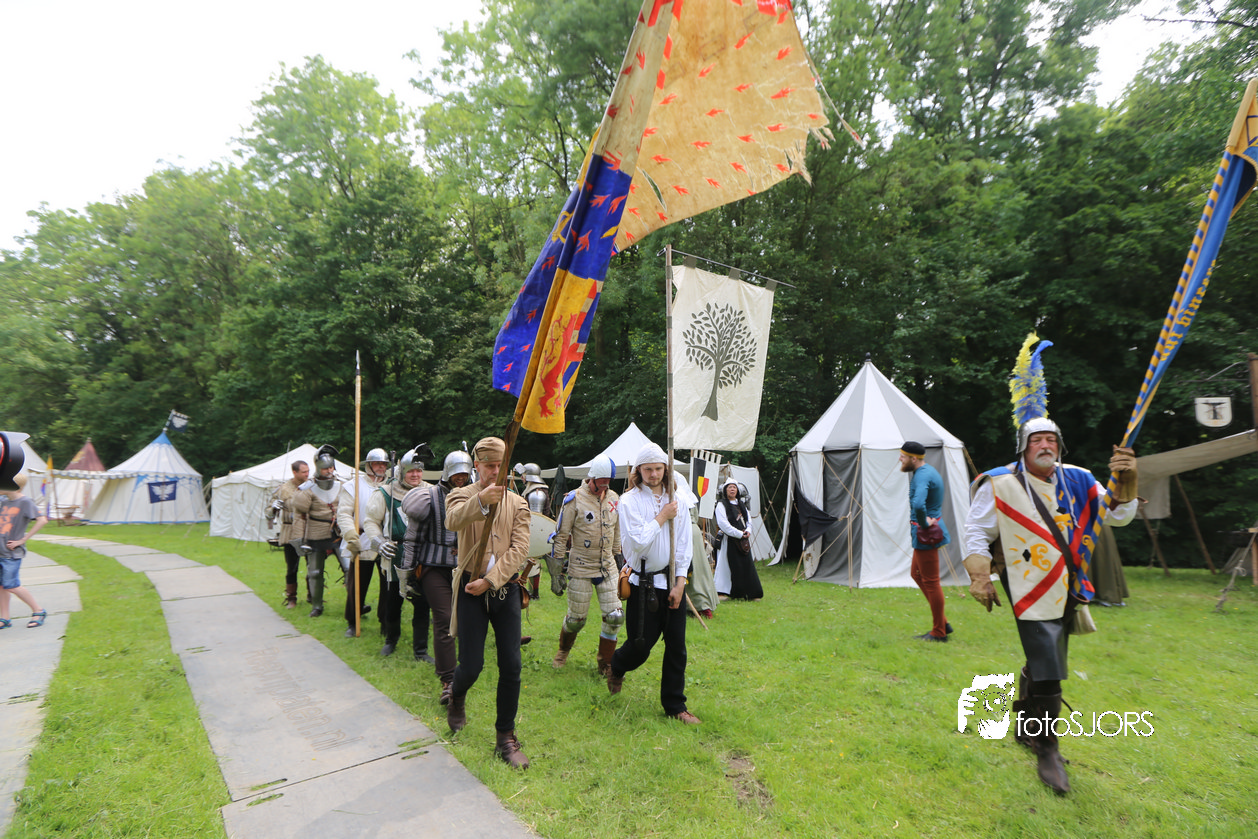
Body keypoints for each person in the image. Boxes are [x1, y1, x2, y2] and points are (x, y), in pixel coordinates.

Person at [964, 411, 1138, 794]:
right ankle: (1047, 749)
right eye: (1037, 440)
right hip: (1025, 582)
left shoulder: (1080, 478)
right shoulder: (1000, 482)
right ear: (1023, 447)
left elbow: (1118, 517)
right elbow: (977, 529)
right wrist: (979, 576)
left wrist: (1126, 483)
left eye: (1051, 440)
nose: (1045, 446)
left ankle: (1026, 728)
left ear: (1060, 445)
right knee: (1050, 664)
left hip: (1070, 582)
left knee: (1048, 652)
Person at [445, 437, 533, 768]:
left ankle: (505, 738)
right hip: (470, 589)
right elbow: (452, 520)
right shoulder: (461, 495)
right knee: (472, 665)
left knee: (512, 664)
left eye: (500, 466)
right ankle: (457, 693)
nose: (495, 472)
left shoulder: (518, 503)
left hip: (504, 590)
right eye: (489, 466)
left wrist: (492, 580)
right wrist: (481, 500)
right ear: (477, 466)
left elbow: (520, 548)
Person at [606, 442, 700, 725]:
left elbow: (683, 545)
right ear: (639, 471)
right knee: (640, 646)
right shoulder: (629, 501)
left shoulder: (678, 499)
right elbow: (636, 542)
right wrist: (662, 517)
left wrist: (680, 582)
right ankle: (617, 665)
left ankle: (675, 705)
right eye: (648, 469)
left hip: (672, 582)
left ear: (666, 469)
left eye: (659, 468)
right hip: (643, 584)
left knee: (676, 647)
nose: (654, 474)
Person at [401, 449, 472, 703]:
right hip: (434, 568)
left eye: (464, 474)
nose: (460, 478)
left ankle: (467, 669)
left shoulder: (477, 496)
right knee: (444, 620)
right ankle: (448, 681)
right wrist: (406, 573)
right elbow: (412, 538)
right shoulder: (428, 497)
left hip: (467, 567)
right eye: (456, 474)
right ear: (447, 473)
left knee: (467, 621)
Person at [550, 455, 624, 675]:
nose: (605, 485)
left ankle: (605, 663)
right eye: (602, 480)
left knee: (615, 616)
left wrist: (618, 559)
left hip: (607, 565)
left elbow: (617, 531)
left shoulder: (614, 498)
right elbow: (561, 535)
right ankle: (563, 651)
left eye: (608, 481)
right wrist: (556, 573)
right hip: (581, 565)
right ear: (592, 477)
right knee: (576, 620)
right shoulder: (574, 499)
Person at [362, 448, 431, 659]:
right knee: (392, 602)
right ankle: (390, 640)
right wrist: (379, 542)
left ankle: (420, 650)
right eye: (411, 471)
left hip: (423, 555)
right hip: (395, 553)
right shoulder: (385, 493)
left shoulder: (431, 491)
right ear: (402, 472)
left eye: (418, 471)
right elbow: (371, 521)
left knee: (422, 603)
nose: (415, 475)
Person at [899, 441, 952, 642]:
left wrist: (923, 523)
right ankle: (943, 622)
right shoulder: (927, 471)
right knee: (916, 574)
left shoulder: (922, 476)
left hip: (926, 534)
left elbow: (919, 504)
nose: (900, 459)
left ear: (913, 458)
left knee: (931, 581)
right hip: (924, 534)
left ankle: (939, 632)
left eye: (903, 456)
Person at [337, 448, 388, 638]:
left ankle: (386, 623)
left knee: (388, 586)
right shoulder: (354, 486)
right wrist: (351, 536)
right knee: (357, 585)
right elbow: (344, 513)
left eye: (384, 464)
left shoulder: (392, 485)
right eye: (377, 463)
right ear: (368, 465)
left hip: (386, 541)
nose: (381, 467)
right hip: (362, 539)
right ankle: (353, 621)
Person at [291, 445, 341, 618]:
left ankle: (356, 604)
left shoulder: (343, 485)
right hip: (316, 533)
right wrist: (298, 538)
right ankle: (317, 606)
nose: (329, 470)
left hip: (339, 532)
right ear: (318, 468)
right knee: (315, 572)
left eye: (331, 467)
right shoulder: (307, 488)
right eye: (326, 468)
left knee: (350, 568)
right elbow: (299, 515)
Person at [0, 473, 48, 629]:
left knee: (11, 585)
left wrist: (22, 540)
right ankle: (5, 618)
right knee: (1, 586)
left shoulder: (25, 502)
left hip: (11, 553)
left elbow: (42, 520)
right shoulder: (4, 501)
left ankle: (38, 610)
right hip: (0, 551)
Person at [267, 459, 308, 609]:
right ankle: (291, 598)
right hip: (290, 531)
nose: (307, 474)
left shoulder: (311, 486)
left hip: (308, 530)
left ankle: (313, 596)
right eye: (303, 472)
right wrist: (273, 508)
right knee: (292, 567)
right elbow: (268, 513)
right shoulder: (282, 489)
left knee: (313, 566)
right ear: (295, 472)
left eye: (308, 471)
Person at [713, 477, 762, 601]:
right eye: (729, 487)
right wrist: (739, 534)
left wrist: (748, 531)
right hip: (728, 540)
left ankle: (750, 593)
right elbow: (723, 523)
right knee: (726, 566)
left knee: (746, 565)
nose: (732, 489)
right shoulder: (721, 505)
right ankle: (723, 592)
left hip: (742, 541)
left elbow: (748, 520)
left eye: (734, 487)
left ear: (737, 490)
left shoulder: (741, 505)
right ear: (725, 490)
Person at [515, 462, 548, 600]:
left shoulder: (536, 493)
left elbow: (536, 518)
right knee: (529, 561)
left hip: (534, 531)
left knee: (532, 561)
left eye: (523, 475)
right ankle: (529, 591)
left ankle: (534, 593)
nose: (522, 478)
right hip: (529, 530)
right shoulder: (533, 490)